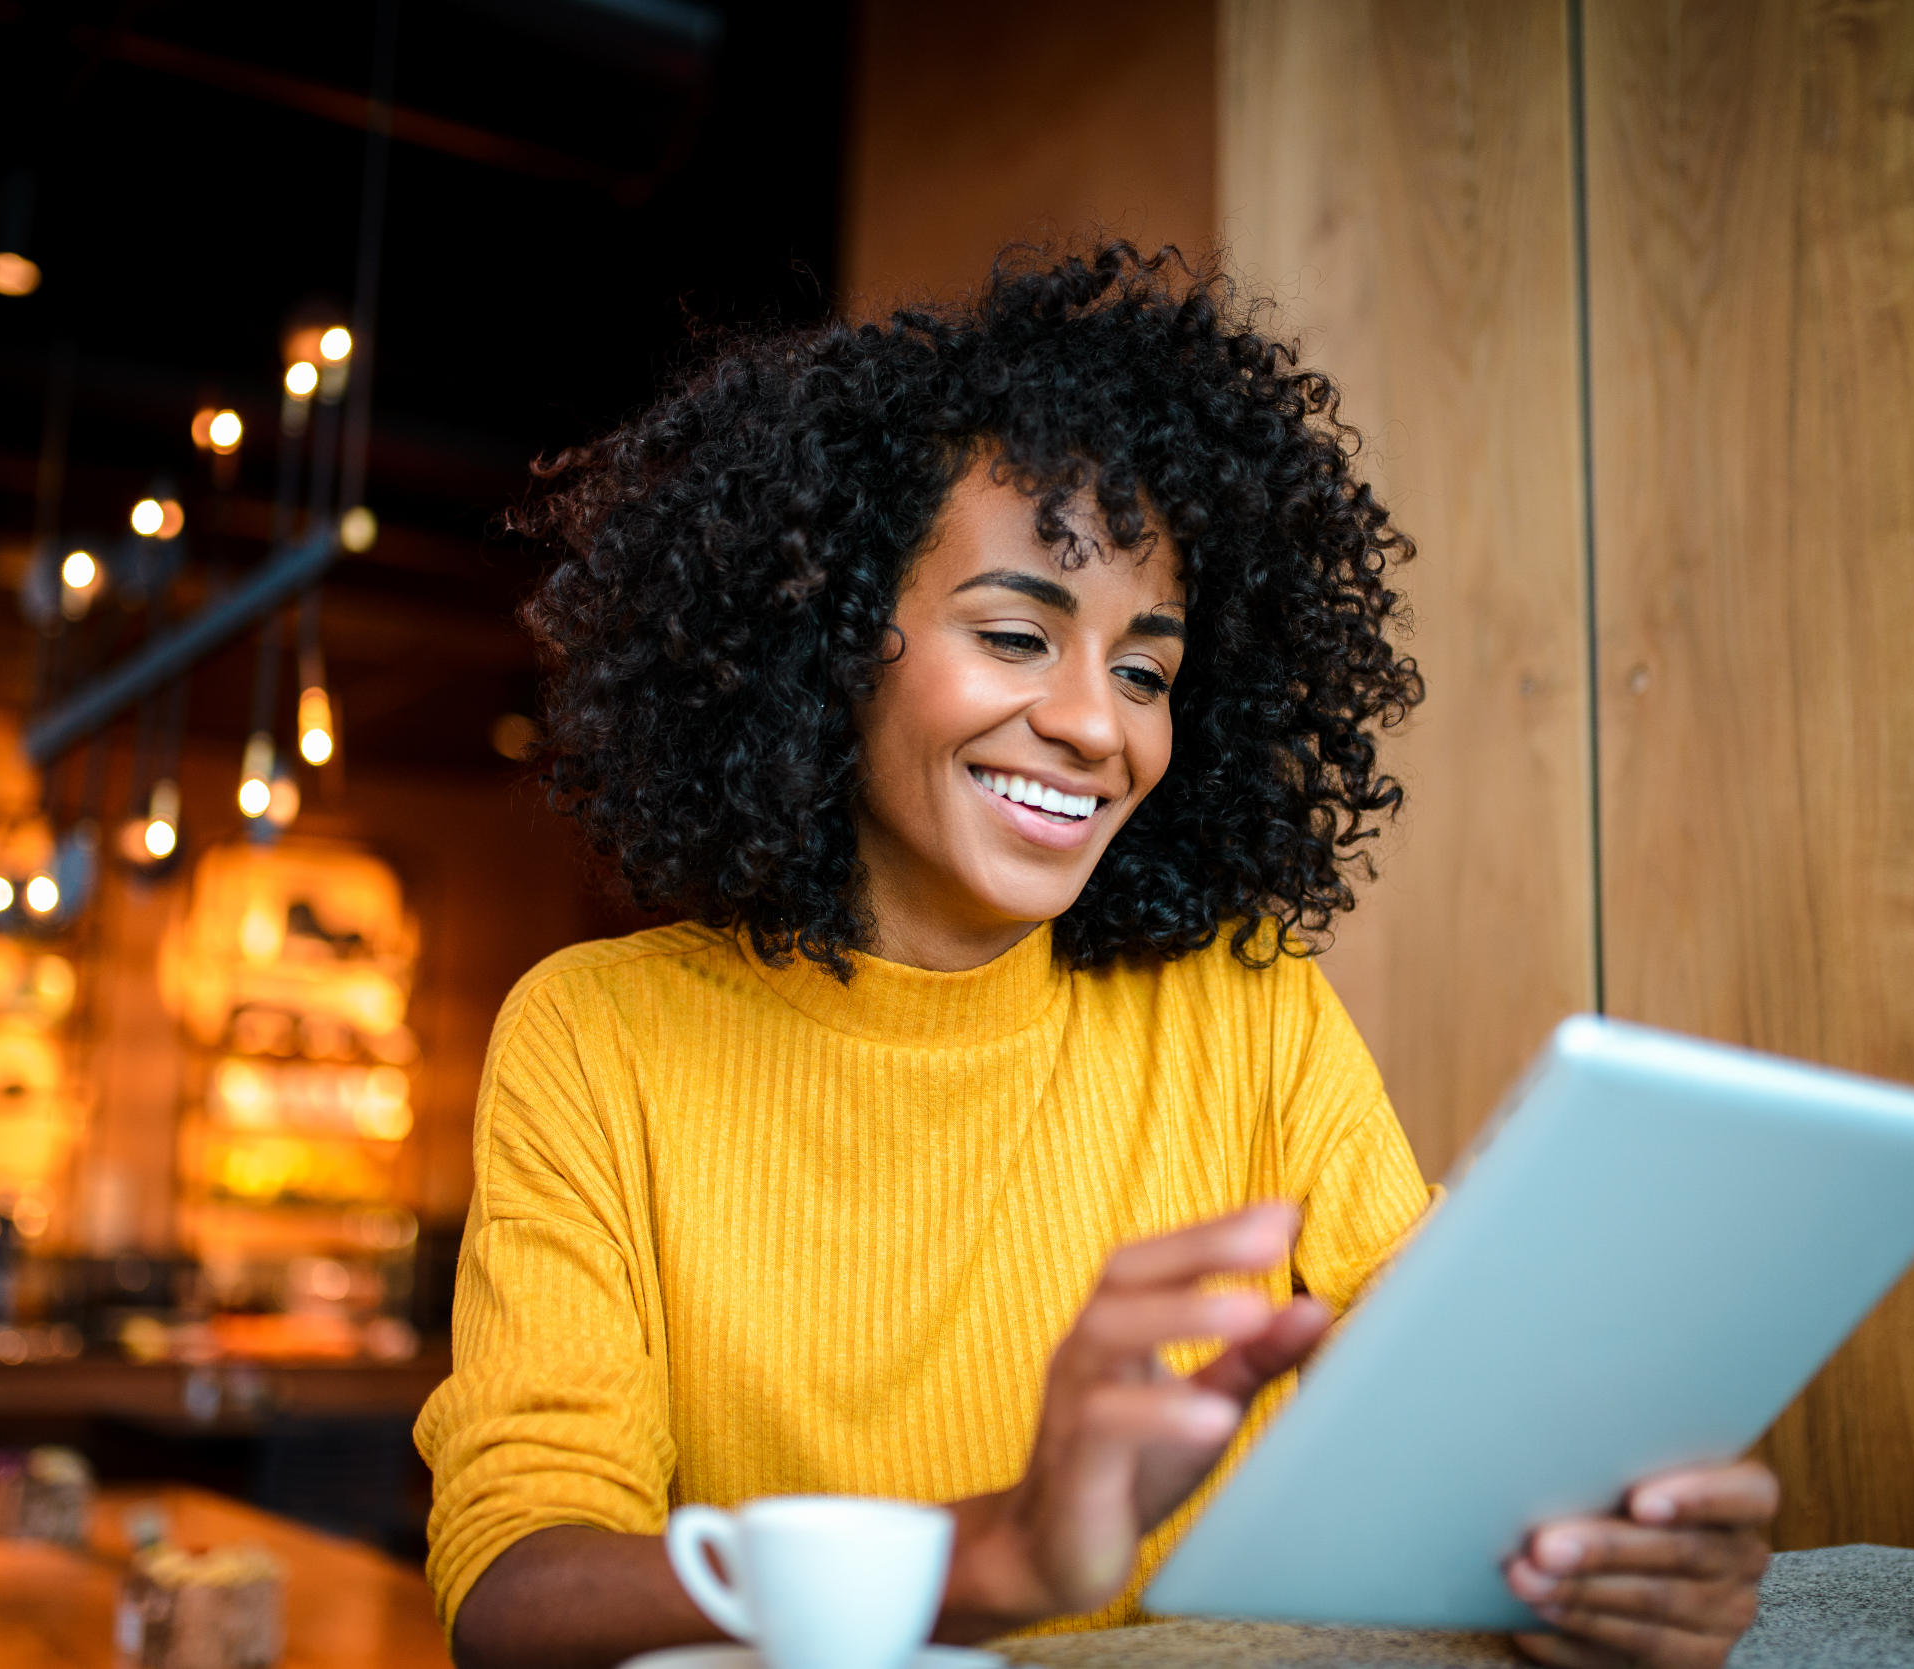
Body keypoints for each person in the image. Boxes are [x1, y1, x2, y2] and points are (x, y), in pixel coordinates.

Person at [416, 245, 1774, 1669]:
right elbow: (518, 1589)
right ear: (825, 641)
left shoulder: (1246, 1006)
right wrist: (994, 1551)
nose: (1095, 726)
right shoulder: (598, 1036)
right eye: (1018, 634)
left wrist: (1613, 1548)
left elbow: (1465, 1405)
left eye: (1145, 670)